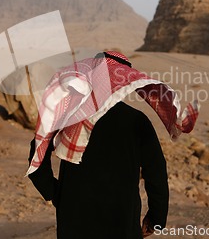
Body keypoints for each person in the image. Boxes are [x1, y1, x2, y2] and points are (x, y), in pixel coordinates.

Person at [28, 101, 169, 238]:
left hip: (75, 218)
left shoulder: (67, 117)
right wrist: (156, 218)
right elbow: (156, 172)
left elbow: (37, 155)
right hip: (122, 219)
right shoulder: (136, 119)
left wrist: (55, 193)